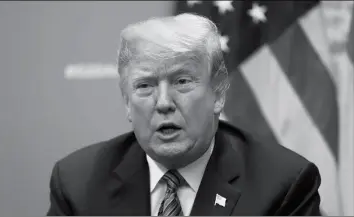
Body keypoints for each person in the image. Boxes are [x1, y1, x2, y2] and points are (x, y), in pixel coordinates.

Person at [47, 13, 321, 216]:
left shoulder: (283, 185)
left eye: (182, 82)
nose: (163, 102)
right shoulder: (78, 184)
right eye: (145, 86)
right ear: (127, 104)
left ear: (218, 94)